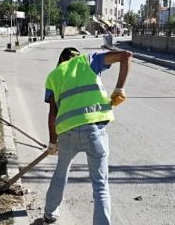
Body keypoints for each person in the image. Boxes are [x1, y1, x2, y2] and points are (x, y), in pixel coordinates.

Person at [42, 46, 132, 224]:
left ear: (60, 61)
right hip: (94, 131)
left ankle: (49, 214)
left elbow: (53, 113)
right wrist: (119, 89)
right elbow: (126, 56)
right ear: (77, 56)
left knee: (61, 173)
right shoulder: (88, 60)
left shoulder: (54, 75)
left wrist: (53, 142)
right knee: (100, 185)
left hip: (67, 132)